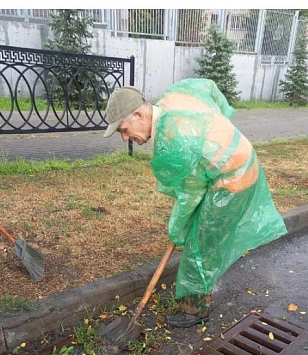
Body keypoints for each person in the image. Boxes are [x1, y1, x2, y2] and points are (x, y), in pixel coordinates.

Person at [103, 79, 288, 328]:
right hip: (236, 162)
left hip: (232, 180)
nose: (125, 137)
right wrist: (216, 127)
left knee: (200, 246)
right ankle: (199, 296)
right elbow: (208, 87)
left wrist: (177, 228)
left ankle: (194, 310)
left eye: (124, 129)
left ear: (138, 114)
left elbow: (190, 195)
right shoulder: (172, 97)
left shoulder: (173, 137)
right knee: (201, 234)